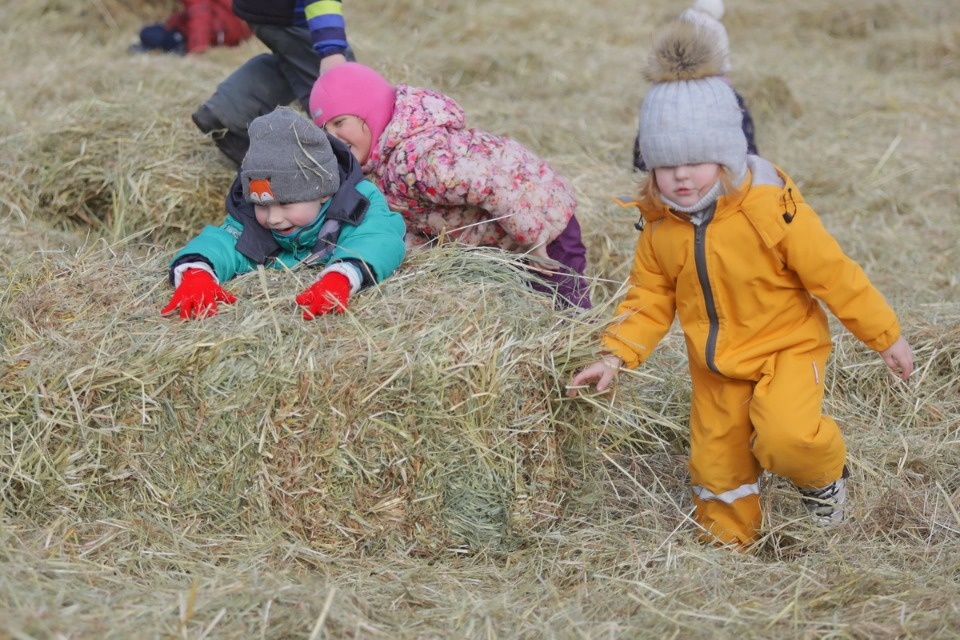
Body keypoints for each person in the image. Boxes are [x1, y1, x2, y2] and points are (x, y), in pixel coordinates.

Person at [566, 20, 914, 549]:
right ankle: (731, 549)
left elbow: (832, 271)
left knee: (786, 436)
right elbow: (648, 300)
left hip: (786, 349)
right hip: (716, 370)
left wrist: (885, 335)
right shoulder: (659, 226)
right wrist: (615, 355)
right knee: (715, 472)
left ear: (726, 154)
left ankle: (824, 480)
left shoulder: (767, 207)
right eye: (666, 165)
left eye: (696, 160)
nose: (681, 177)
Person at [308, 62, 592, 310]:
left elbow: (493, 184)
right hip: (507, 235)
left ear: (368, 112)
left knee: (563, 308)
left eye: (339, 122)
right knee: (531, 308)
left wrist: (532, 238)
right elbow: (414, 221)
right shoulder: (383, 167)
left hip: (542, 222)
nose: (332, 137)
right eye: (324, 130)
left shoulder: (420, 160)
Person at [162, 107, 405, 320]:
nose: (272, 218)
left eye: (287, 203)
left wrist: (342, 276)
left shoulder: (356, 202)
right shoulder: (251, 219)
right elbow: (222, 242)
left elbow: (379, 236)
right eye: (262, 205)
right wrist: (197, 272)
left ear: (324, 193)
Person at [192, 0, 353, 165]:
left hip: (265, 9)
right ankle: (342, 159)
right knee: (337, 84)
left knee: (294, 62)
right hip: (290, 13)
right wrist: (330, 48)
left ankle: (227, 111)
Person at [632, 0, 758, 172]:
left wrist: (643, 175)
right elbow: (747, 149)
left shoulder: (659, 98)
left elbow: (643, 149)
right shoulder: (727, 97)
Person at [131, 0, 252, 55]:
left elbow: (200, 14)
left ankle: (178, 46)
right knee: (153, 30)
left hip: (216, 31)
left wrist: (197, 46)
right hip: (232, 30)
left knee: (147, 34)